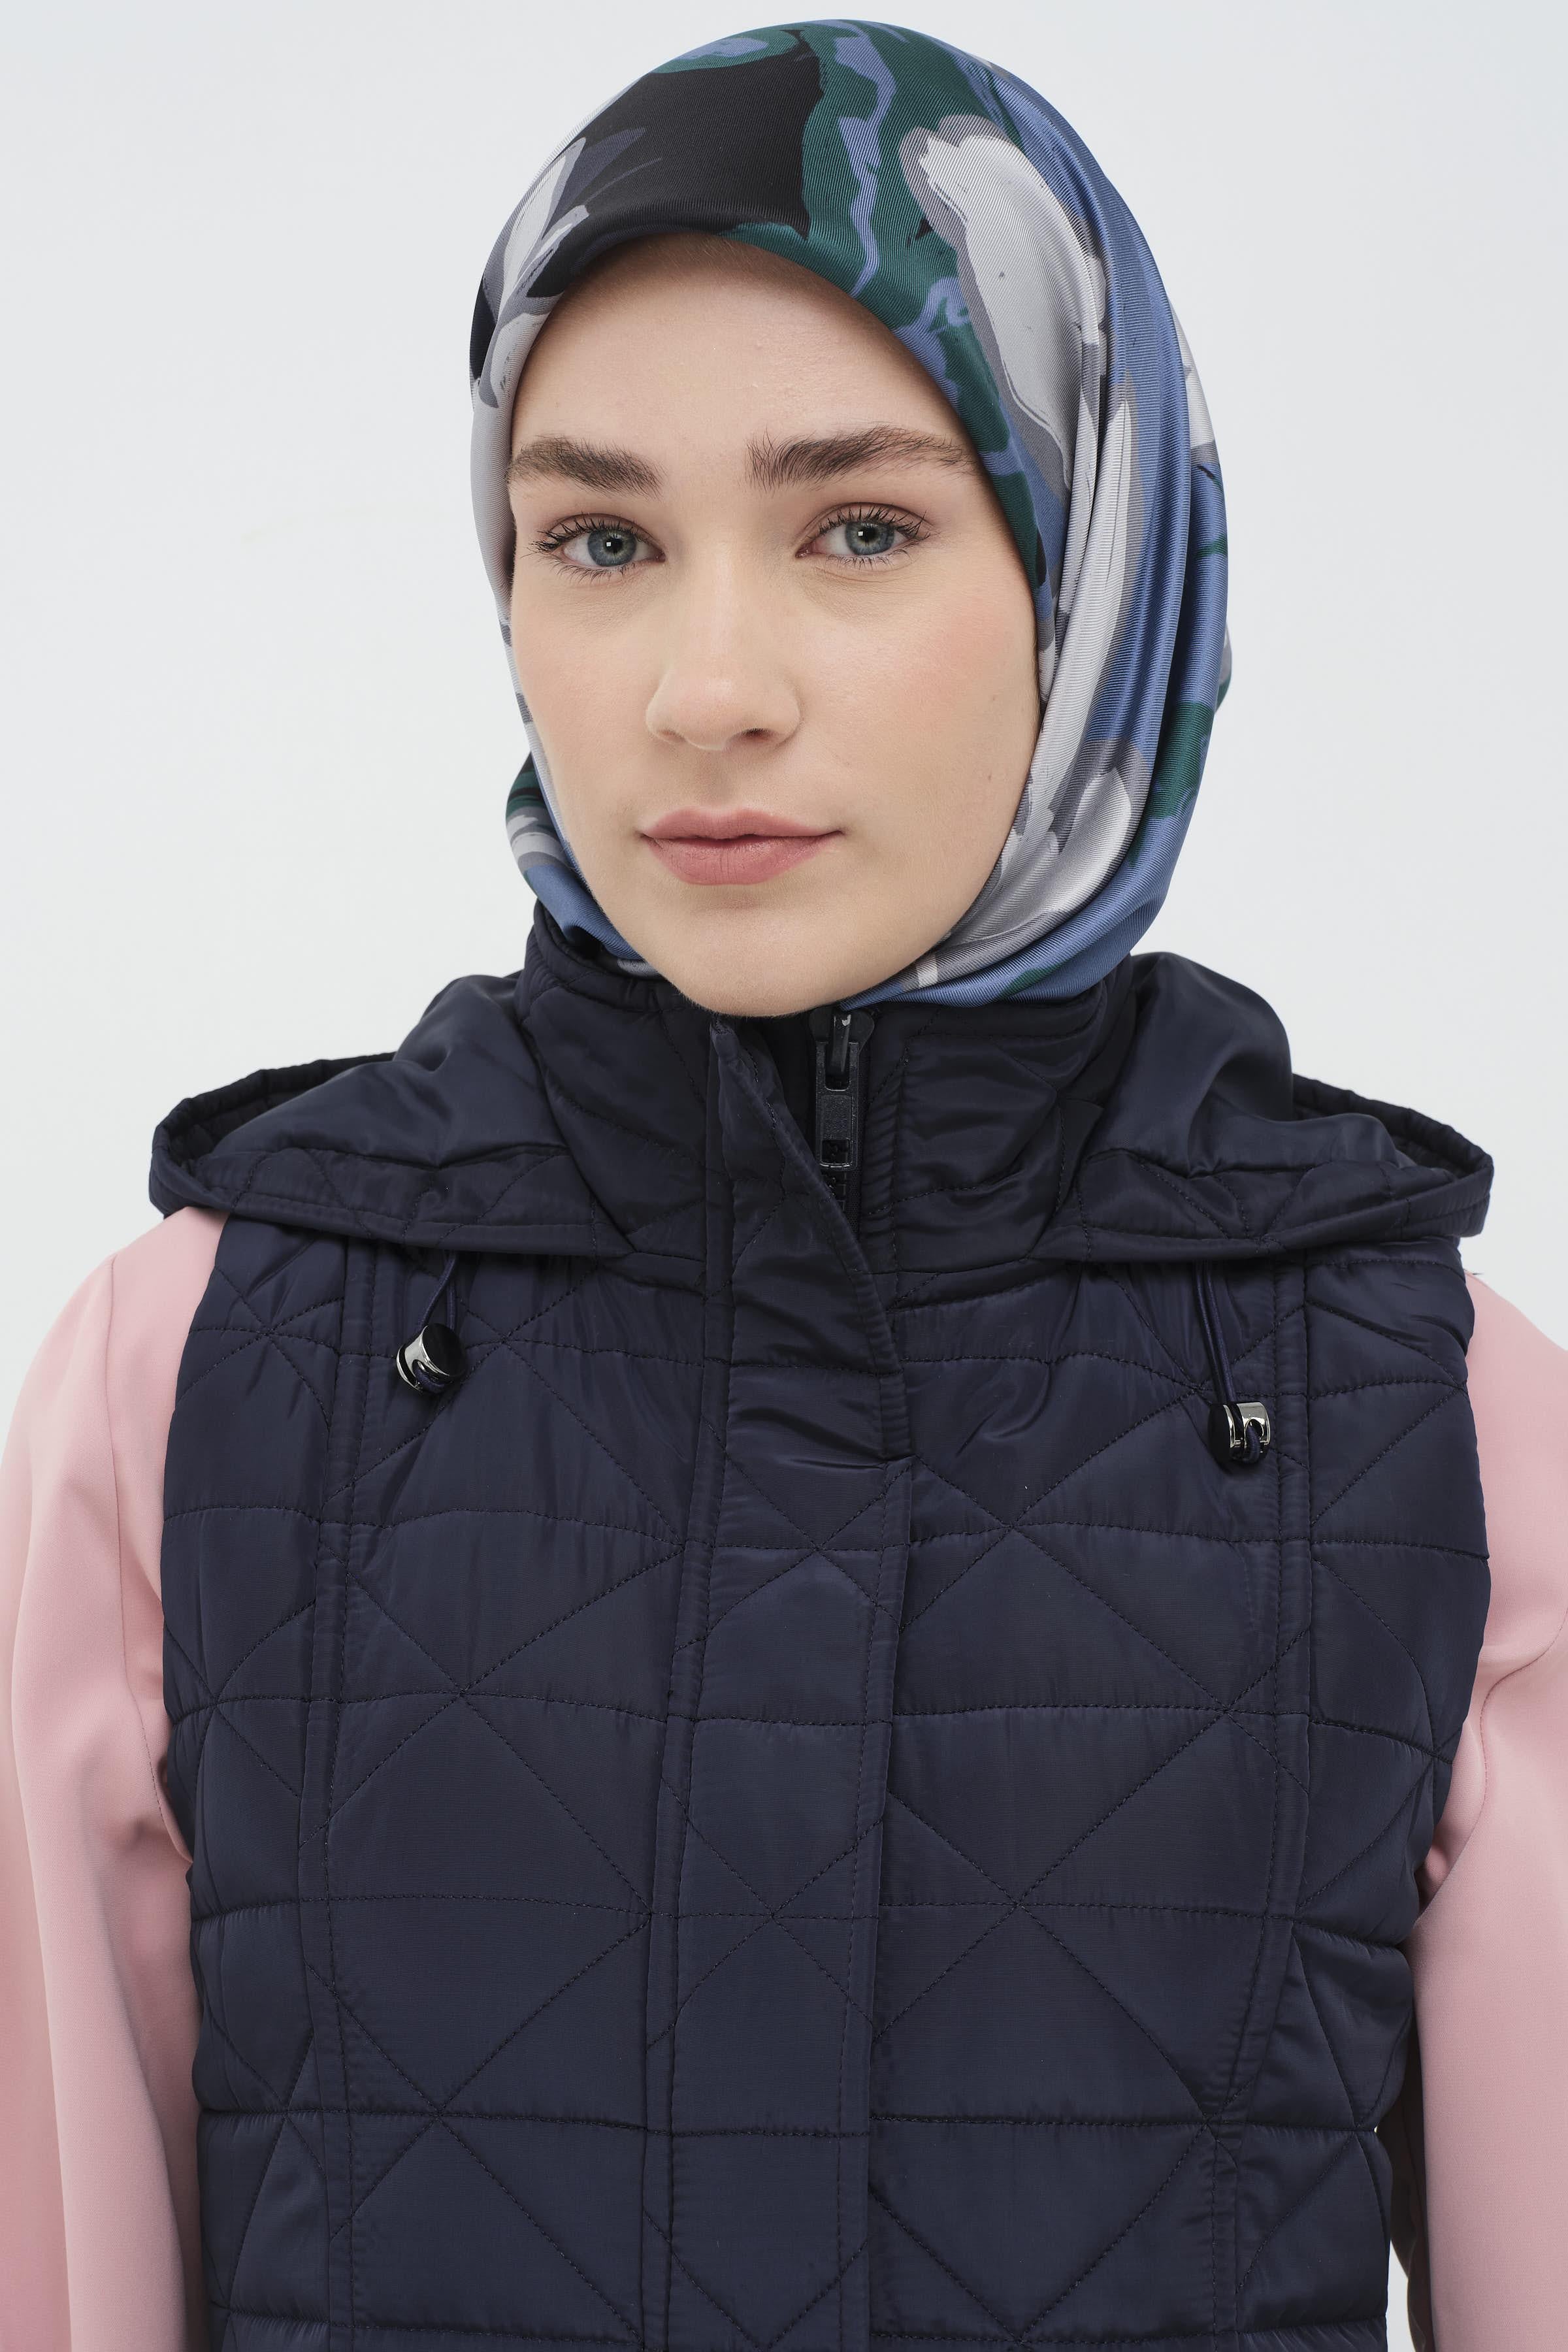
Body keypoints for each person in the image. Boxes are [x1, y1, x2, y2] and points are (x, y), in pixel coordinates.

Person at [2, 20, 1564, 2352]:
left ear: (1095, 566)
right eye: (601, 539)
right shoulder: (193, 1368)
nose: (704, 689)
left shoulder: (1426, 1409)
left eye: (860, 528)